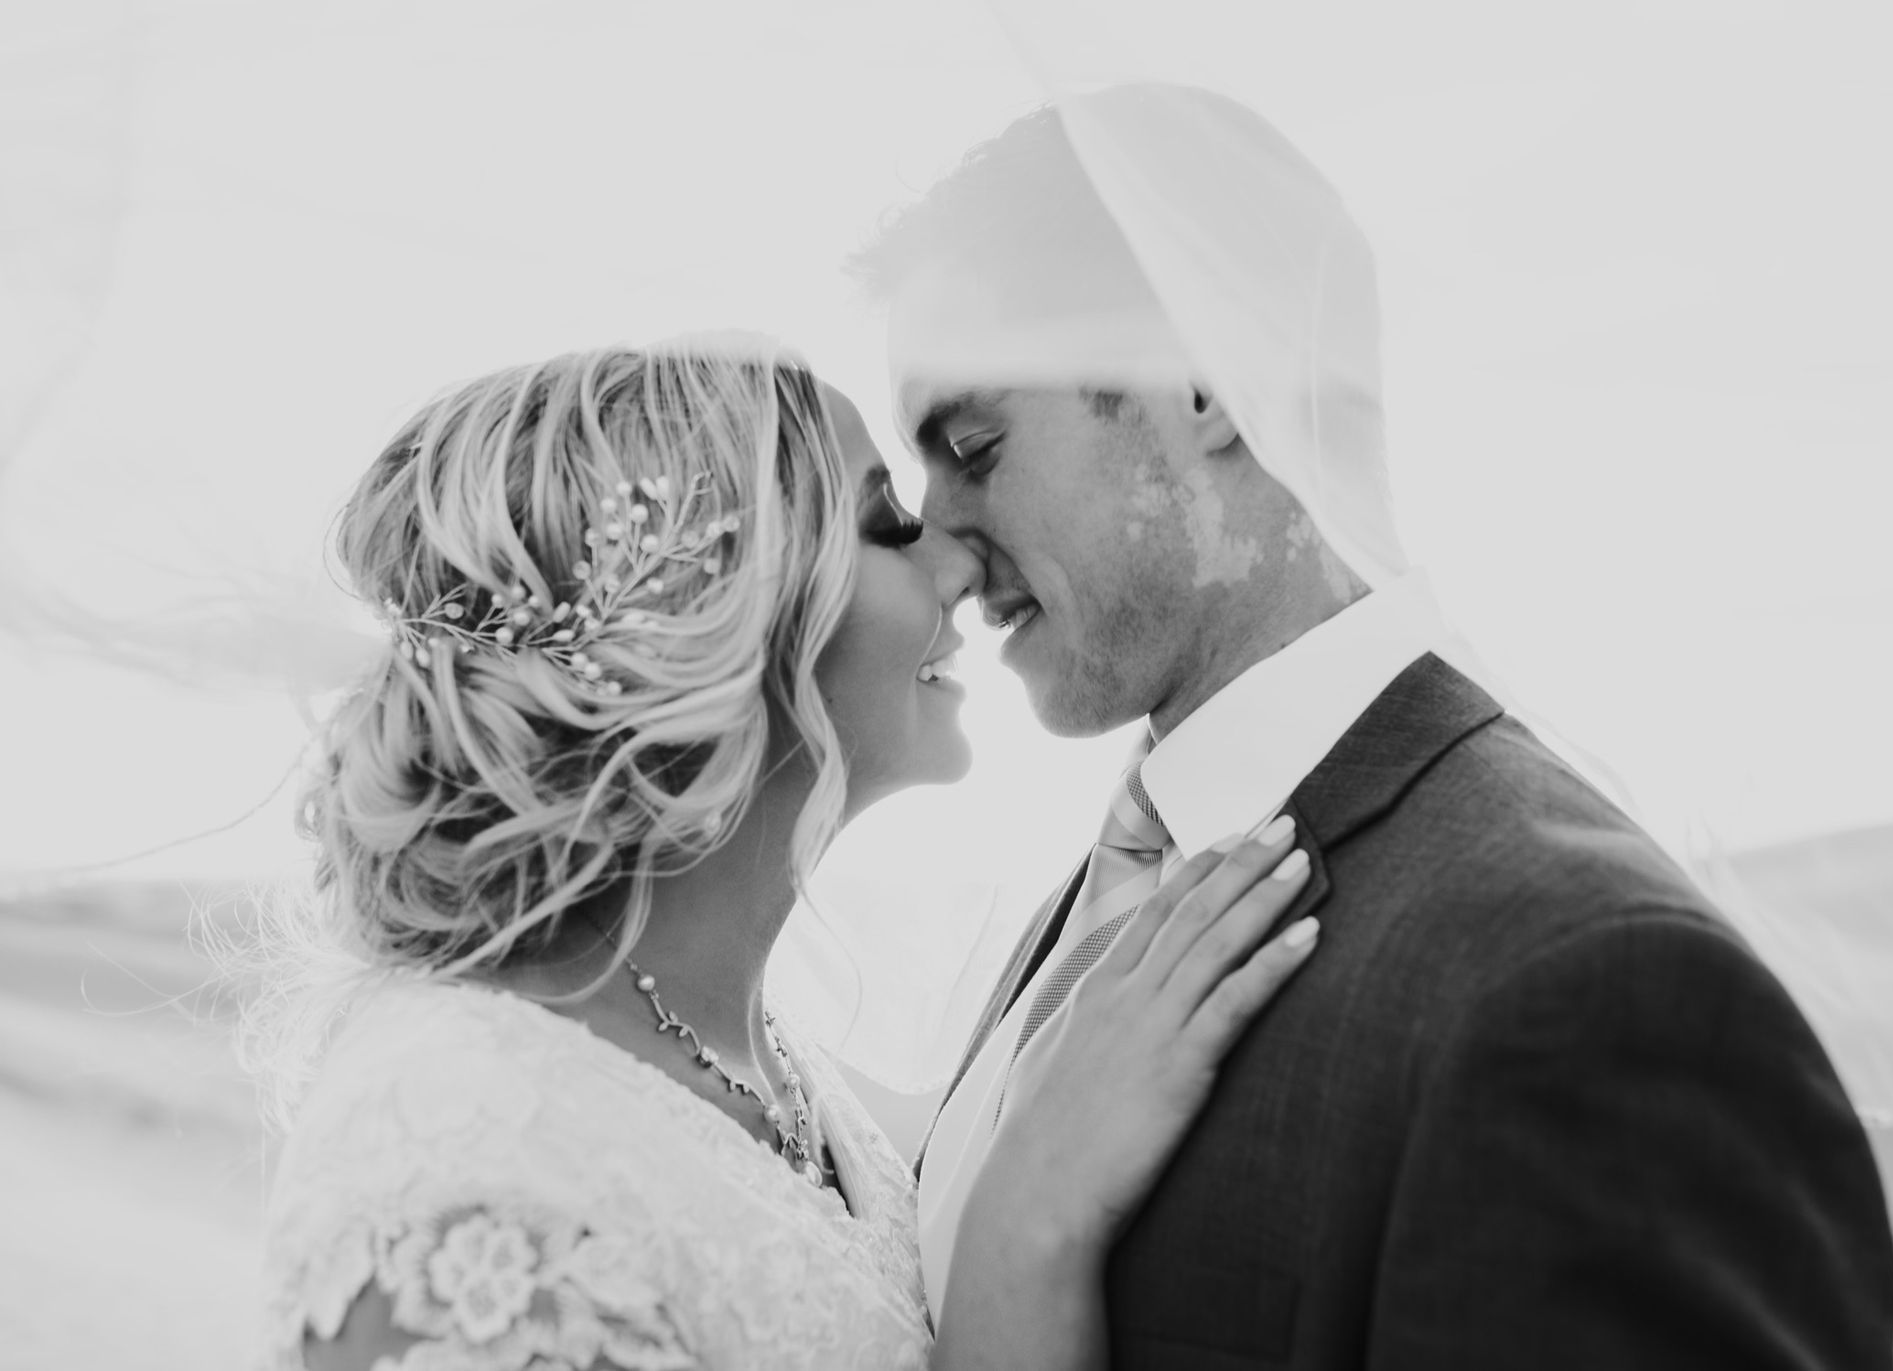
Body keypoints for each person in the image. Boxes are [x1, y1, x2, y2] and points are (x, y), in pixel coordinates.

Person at [855, 89, 1893, 1367]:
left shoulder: (1580, 989)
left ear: (1204, 377)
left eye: (973, 443)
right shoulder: (1106, 903)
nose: (941, 547)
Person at [254, 339, 1326, 1370]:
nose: (960, 558)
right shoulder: (456, 1162)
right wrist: (1024, 1234)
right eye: (888, 524)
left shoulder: (763, 1060)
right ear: (713, 618)